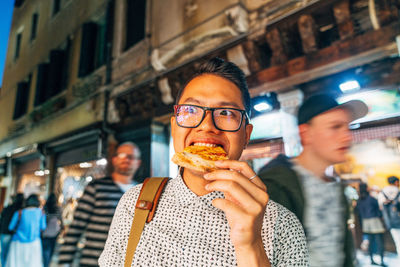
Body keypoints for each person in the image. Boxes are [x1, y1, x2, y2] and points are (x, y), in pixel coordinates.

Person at [99, 58, 308, 266]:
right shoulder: (134, 204)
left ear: (246, 135)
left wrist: (251, 247)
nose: (207, 126)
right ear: (174, 127)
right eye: (191, 110)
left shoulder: (284, 226)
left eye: (226, 113)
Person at [258, 93, 368, 267]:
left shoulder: (335, 187)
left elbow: (342, 251)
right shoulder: (274, 187)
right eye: (335, 127)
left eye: (348, 127)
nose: (347, 136)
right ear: (306, 133)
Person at [58, 142, 142, 266]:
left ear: (138, 163)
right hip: (93, 261)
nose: (126, 159)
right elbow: (76, 226)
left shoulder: (142, 193)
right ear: (114, 160)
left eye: (131, 157)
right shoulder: (96, 187)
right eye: (122, 155)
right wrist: (64, 262)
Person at [6, 194, 46, 267]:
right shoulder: (41, 213)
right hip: (34, 243)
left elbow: (10, 227)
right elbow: (43, 227)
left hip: (18, 242)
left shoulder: (19, 212)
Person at [356, 183, 386, 266]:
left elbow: (358, 212)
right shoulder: (371, 198)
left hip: (365, 222)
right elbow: (379, 210)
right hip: (374, 220)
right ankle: (382, 261)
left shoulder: (359, 200)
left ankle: (372, 260)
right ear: (366, 188)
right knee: (380, 241)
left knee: (370, 242)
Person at [378, 175, 400, 258]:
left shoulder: (382, 193)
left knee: (398, 242)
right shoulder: (398, 191)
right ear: (396, 182)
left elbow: (380, 208)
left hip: (390, 222)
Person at [0, 193, 24, 266]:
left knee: (4, 252)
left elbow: (1, 220)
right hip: (15, 234)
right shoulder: (22, 211)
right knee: (14, 254)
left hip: (4, 232)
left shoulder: (7, 208)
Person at [42, 193, 63, 267]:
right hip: (54, 232)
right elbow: (60, 220)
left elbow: (43, 219)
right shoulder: (58, 208)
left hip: (45, 232)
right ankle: (47, 264)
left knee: (45, 251)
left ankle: (46, 264)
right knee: (51, 250)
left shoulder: (45, 208)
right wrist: (61, 229)